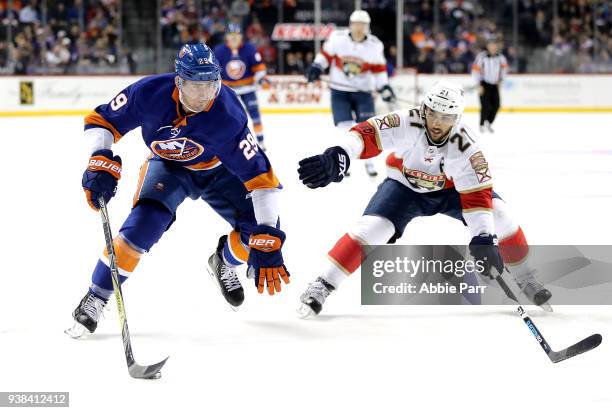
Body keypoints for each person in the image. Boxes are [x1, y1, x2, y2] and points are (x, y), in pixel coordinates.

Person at [68, 43, 290, 337]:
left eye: (209, 85)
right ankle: (97, 295)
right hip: (168, 167)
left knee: (259, 236)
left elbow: (261, 178)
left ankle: (224, 261)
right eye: (195, 86)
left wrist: (266, 233)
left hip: (220, 171)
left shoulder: (228, 115)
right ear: (178, 81)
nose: (203, 95)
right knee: (140, 229)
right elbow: (102, 120)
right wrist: (100, 158)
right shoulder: (148, 93)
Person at [296, 80, 551, 317]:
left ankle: (525, 276)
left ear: (457, 118)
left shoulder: (468, 147)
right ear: (423, 109)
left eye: (446, 117)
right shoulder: (407, 122)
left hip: (452, 193)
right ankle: (323, 284)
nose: (437, 123)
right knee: (371, 230)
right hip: (404, 189)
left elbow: (476, 195)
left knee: (501, 215)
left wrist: (483, 238)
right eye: (433, 113)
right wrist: (340, 154)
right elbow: (367, 133)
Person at [305, 10, 396, 178]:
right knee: (345, 127)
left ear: (367, 27)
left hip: (363, 92)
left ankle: (368, 162)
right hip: (339, 91)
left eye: (363, 25)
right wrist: (317, 66)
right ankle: (345, 160)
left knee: (367, 128)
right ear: (350, 25)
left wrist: (384, 87)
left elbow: (379, 71)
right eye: (356, 24)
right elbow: (325, 55)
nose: (359, 28)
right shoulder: (337, 38)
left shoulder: (375, 45)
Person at [214, 23, 269, 150]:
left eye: (236, 35)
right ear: (226, 36)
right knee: (226, 117)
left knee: (255, 115)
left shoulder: (249, 49)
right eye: (231, 35)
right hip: (228, 91)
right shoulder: (219, 51)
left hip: (248, 88)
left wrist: (258, 79)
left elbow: (260, 68)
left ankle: (261, 142)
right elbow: (214, 72)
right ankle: (226, 143)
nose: (234, 38)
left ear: (241, 36)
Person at [471, 38, 508, 133]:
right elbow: (475, 71)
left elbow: (504, 70)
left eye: (494, 45)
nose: (493, 47)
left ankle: (489, 122)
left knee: (497, 105)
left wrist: (501, 80)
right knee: (485, 105)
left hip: (495, 84)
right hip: (484, 84)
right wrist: (478, 84)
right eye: (491, 45)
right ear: (487, 46)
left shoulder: (501, 58)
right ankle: (482, 124)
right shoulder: (481, 57)